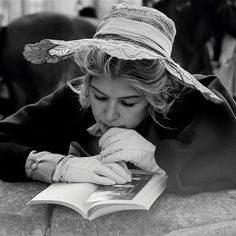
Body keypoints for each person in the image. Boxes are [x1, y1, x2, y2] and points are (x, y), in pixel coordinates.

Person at [0, 3, 236, 194]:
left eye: (128, 102)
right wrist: (55, 166)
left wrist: (158, 158)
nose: (109, 114)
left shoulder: (196, 99)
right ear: (88, 85)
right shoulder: (72, 97)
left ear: (156, 95)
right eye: (100, 97)